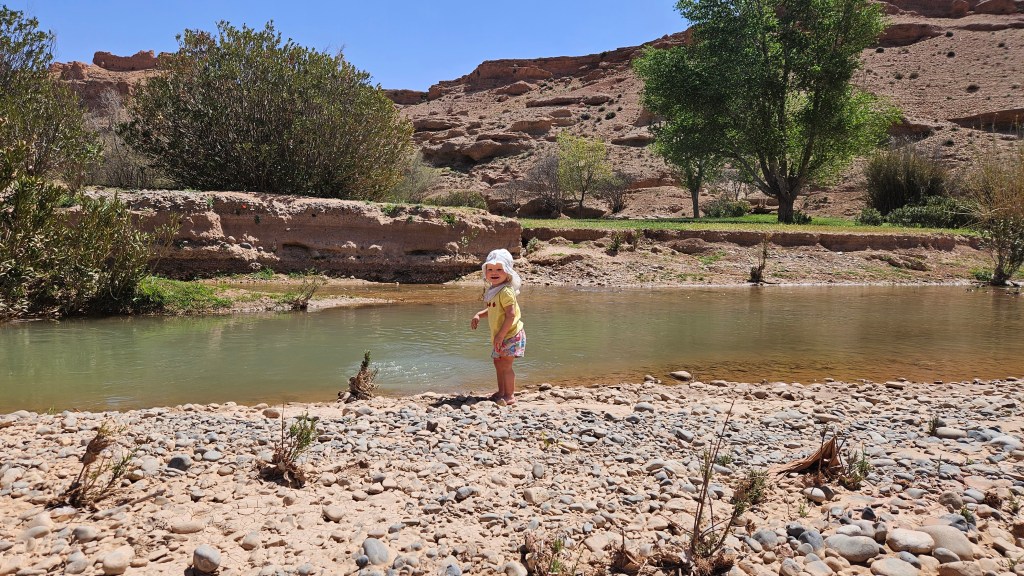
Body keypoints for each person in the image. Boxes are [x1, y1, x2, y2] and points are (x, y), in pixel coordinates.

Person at [470, 248, 525, 405]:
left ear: (508, 272)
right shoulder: (495, 290)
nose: (494, 272)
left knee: (506, 365)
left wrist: (501, 335)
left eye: (499, 269)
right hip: (500, 335)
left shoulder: (506, 291)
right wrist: (479, 314)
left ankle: (510, 395)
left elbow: (510, 315)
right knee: (498, 363)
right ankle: (501, 392)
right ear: (485, 272)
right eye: (490, 269)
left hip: (510, 334)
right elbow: (494, 310)